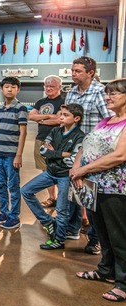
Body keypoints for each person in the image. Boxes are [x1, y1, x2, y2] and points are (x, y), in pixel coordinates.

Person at [71, 78, 126, 302]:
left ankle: (123, 282)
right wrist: (76, 168)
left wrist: (84, 169)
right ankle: (106, 271)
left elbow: (120, 155)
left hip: (116, 189)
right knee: (102, 233)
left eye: (114, 93)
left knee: (118, 236)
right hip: (94, 187)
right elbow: (86, 144)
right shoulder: (105, 121)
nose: (108, 97)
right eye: (107, 93)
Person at [65, 56, 114, 255]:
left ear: (90, 73)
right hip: (76, 151)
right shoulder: (70, 94)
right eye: (72, 70)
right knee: (77, 194)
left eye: (77, 71)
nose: (73, 74)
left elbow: (110, 120)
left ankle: (95, 240)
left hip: (97, 153)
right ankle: (73, 229)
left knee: (95, 199)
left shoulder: (100, 92)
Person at [22, 103, 85, 249]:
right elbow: (43, 150)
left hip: (65, 177)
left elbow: (72, 160)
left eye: (65, 115)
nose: (61, 117)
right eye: (60, 114)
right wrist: (60, 154)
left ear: (76, 118)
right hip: (51, 173)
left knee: (62, 210)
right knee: (26, 191)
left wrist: (52, 153)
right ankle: (48, 221)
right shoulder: (56, 131)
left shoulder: (80, 137)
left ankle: (59, 239)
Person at [0, 77, 28, 229]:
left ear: (18, 89)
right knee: (0, 185)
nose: (9, 89)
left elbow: (23, 133)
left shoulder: (21, 108)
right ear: (1, 89)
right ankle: (3, 212)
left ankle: (14, 216)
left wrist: (18, 155)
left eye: (13, 87)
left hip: (11, 155)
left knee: (13, 186)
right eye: (6, 86)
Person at [28, 75, 63, 209]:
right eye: (46, 86)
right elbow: (31, 116)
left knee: (58, 170)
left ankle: (61, 199)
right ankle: (51, 198)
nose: (48, 89)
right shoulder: (40, 102)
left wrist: (40, 119)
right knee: (45, 170)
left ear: (59, 87)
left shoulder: (63, 102)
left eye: (52, 86)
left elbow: (60, 120)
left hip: (56, 141)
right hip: (40, 139)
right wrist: (49, 116)